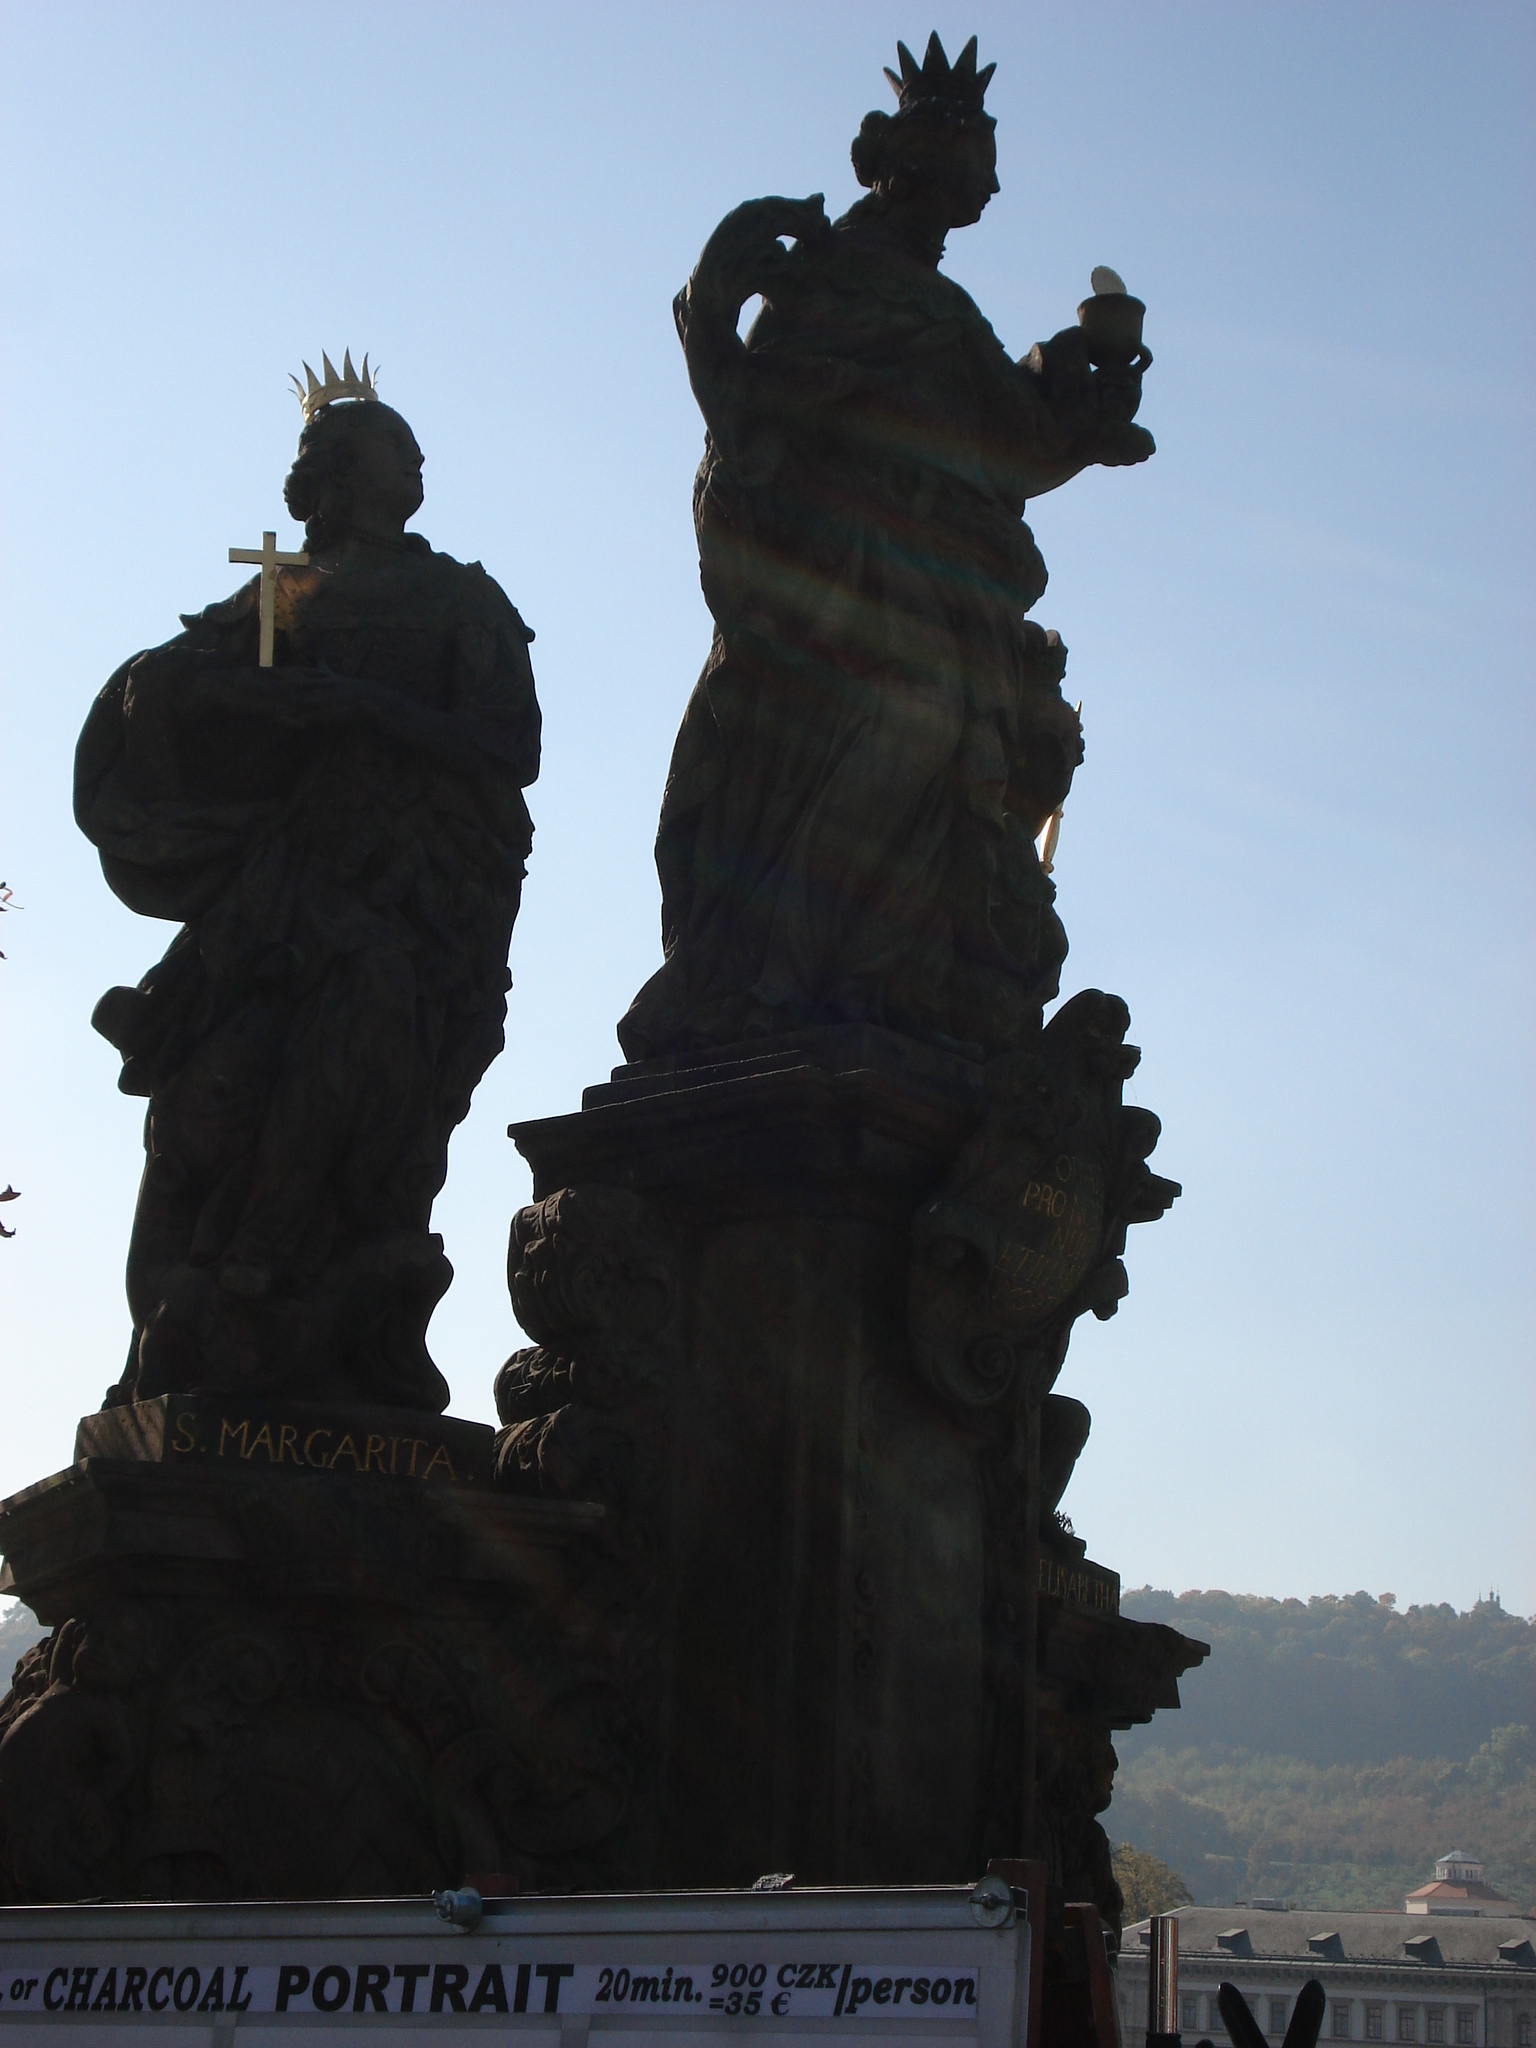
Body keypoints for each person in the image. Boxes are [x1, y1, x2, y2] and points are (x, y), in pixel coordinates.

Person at [619, 34, 1152, 1063]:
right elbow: (755, 419)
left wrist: (1087, 395)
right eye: (961, 172)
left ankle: (872, 976)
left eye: (981, 177)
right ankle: (776, 971)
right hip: (841, 570)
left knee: (951, 748)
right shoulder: (834, 278)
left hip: (935, 577)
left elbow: (1011, 439)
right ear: (900, 167)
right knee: (913, 719)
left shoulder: (944, 310)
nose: (977, 195)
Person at [75, 384, 540, 1410]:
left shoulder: (460, 598)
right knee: (225, 1087)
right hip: (291, 878)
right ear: (333, 475)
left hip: (426, 885)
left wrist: (365, 708)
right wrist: (199, 692)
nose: (416, 462)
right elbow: (178, 689)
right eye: (393, 446)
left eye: (416, 448)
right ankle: (209, 1300)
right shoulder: (283, 592)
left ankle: (299, 1283)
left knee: (381, 1046)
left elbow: (512, 746)